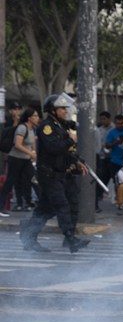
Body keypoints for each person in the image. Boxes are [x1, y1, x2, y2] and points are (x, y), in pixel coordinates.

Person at [19, 94, 90, 253]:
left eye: (66, 108)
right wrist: (71, 140)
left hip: (62, 175)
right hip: (49, 175)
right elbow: (55, 148)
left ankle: (28, 233)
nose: (66, 111)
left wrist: (78, 161)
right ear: (53, 110)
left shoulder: (62, 126)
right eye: (62, 108)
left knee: (49, 209)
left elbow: (66, 152)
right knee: (62, 205)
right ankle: (70, 238)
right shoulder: (47, 126)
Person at [0, 106, 38, 215]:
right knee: (9, 183)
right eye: (35, 116)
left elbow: (32, 143)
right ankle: (1, 206)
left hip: (25, 160)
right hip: (16, 159)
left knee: (35, 180)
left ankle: (45, 206)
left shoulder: (32, 128)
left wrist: (34, 152)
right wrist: (30, 153)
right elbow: (17, 145)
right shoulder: (22, 128)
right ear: (29, 118)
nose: (37, 118)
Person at [95, 111, 112, 210]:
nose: (103, 121)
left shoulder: (113, 129)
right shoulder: (99, 130)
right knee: (101, 178)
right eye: (101, 119)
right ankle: (99, 195)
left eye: (104, 119)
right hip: (101, 157)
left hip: (111, 157)